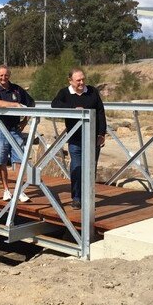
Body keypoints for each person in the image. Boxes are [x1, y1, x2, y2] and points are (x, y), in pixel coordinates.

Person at [51, 67, 106, 209]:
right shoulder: (65, 93)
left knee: (90, 169)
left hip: (93, 138)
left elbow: (100, 112)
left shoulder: (92, 91)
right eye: (78, 80)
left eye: (83, 79)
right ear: (70, 81)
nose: (82, 82)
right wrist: (73, 108)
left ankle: (88, 198)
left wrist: (102, 133)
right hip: (75, 139)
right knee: (77, 167)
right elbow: (55, 104)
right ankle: (76, 198)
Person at [0, 64, 35, 202]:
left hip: (15, 130)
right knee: (1, 162)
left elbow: (31, 103)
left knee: (19, 160)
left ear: (9, 75)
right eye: (1, 75)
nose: (3, 77)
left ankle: (19, 190)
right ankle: (6, 190)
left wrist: (25, 121)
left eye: (6, 75)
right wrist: (14, 104)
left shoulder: (17, 89)